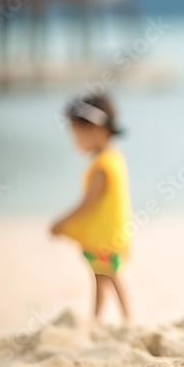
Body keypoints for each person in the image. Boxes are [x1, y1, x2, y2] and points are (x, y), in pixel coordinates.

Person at [50, 94, 133, 322]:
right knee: (102, 276)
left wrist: (62, 222)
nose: (75, 142)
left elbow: (88, 204)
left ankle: (128, 319)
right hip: (111, 233)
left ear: (96, 131)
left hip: (105, 236)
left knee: (110, 276)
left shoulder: (102, 167)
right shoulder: (114, 157)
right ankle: (98, 318)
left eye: (78, 135)